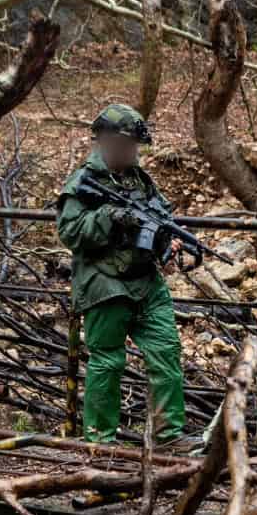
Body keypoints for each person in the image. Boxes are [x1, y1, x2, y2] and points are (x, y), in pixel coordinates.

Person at [56, 104, 197, 448]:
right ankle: (101, 441)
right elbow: (70, 231)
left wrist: (168, 245)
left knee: (166, 352)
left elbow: (160, 216)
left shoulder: (138, 179)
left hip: (145, 280)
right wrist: (109, 217)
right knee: (108, 362)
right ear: (105, 142)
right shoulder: (82, 182)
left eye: (134, 145)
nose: (132, 152)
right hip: (105, 281)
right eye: (127, 145)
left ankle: (168, 435)